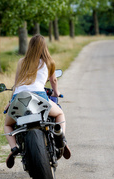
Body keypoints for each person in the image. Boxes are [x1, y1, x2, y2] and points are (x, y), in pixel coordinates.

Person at [4, 34, 71, 168]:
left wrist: (11, 101)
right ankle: (60, 137)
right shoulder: (49, 62)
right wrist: (56, 92)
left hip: (20, 97)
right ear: (44, 47)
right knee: (59, 114)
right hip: (39, 96)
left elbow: (16, 83)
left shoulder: (21, 62)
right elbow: (54, 80)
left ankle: (13, 148)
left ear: (30, 47)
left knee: (8, 124)